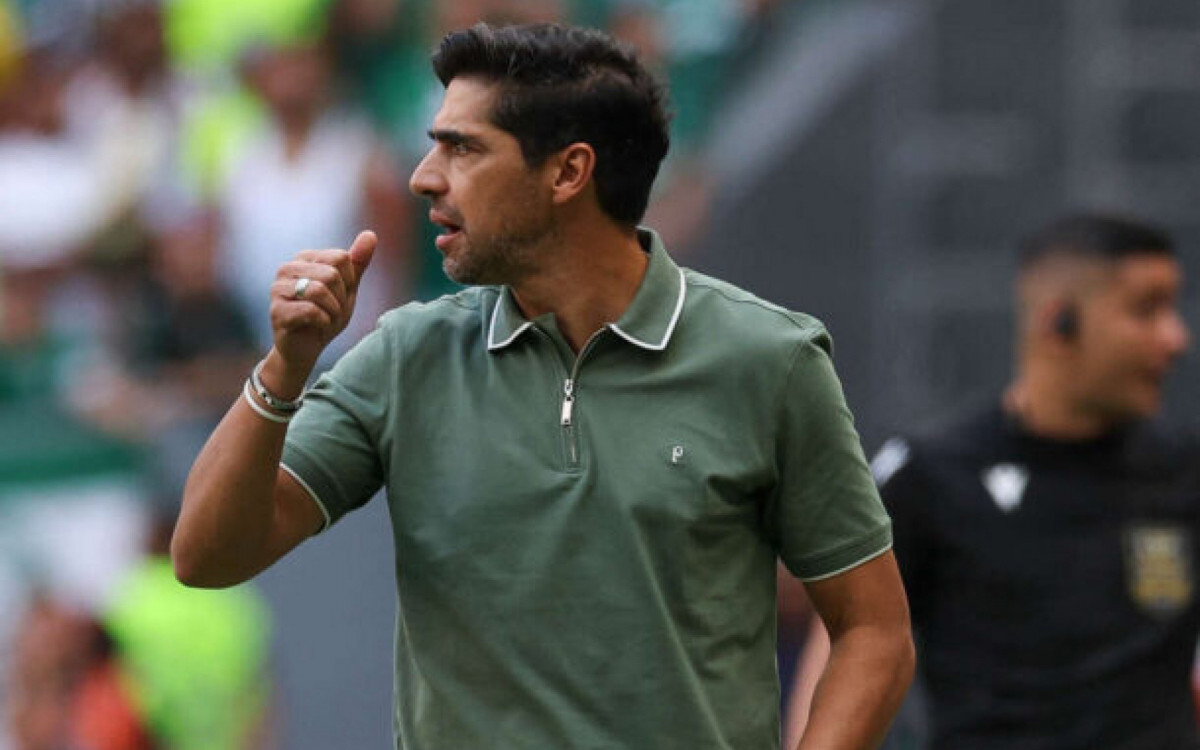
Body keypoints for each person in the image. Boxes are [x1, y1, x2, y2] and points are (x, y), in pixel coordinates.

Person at [172, 22, 913, 750]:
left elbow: (875, 632)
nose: (423, 177)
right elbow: (207, 556)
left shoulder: (769, 360)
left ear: (568, 173)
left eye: (462, 149)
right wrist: (284, 369)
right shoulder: (401, 356)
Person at [792, 212, 1196, 749]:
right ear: (1059, 323)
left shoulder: (1185, 470)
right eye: (1146, 310)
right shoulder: (930, 475)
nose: (1176, 339)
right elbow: (847, 638)